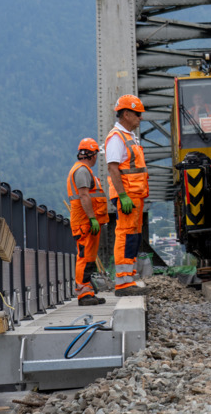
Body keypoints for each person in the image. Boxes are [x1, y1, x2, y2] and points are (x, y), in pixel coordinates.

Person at [105, 94, 149, 295]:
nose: (140, 117)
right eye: (137, 114)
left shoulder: (129, 137)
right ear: (126, 113)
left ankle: (128, 278)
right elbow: (113, 169)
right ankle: (123, 283)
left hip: (134, 195)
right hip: (127, 195)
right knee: (125, 234)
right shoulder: (117, 137)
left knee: (133, 235)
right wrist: (122, 196)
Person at [66, 138, 109, 305]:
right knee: (84, 257)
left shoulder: (83, 170)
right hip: (85, 222)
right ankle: (83, 294)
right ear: (92, 155)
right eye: (96, 154)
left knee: (89, 257)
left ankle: (88, 293)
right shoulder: (82, 171)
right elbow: (84, 196)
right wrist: (92, 218)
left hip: (87, 223)